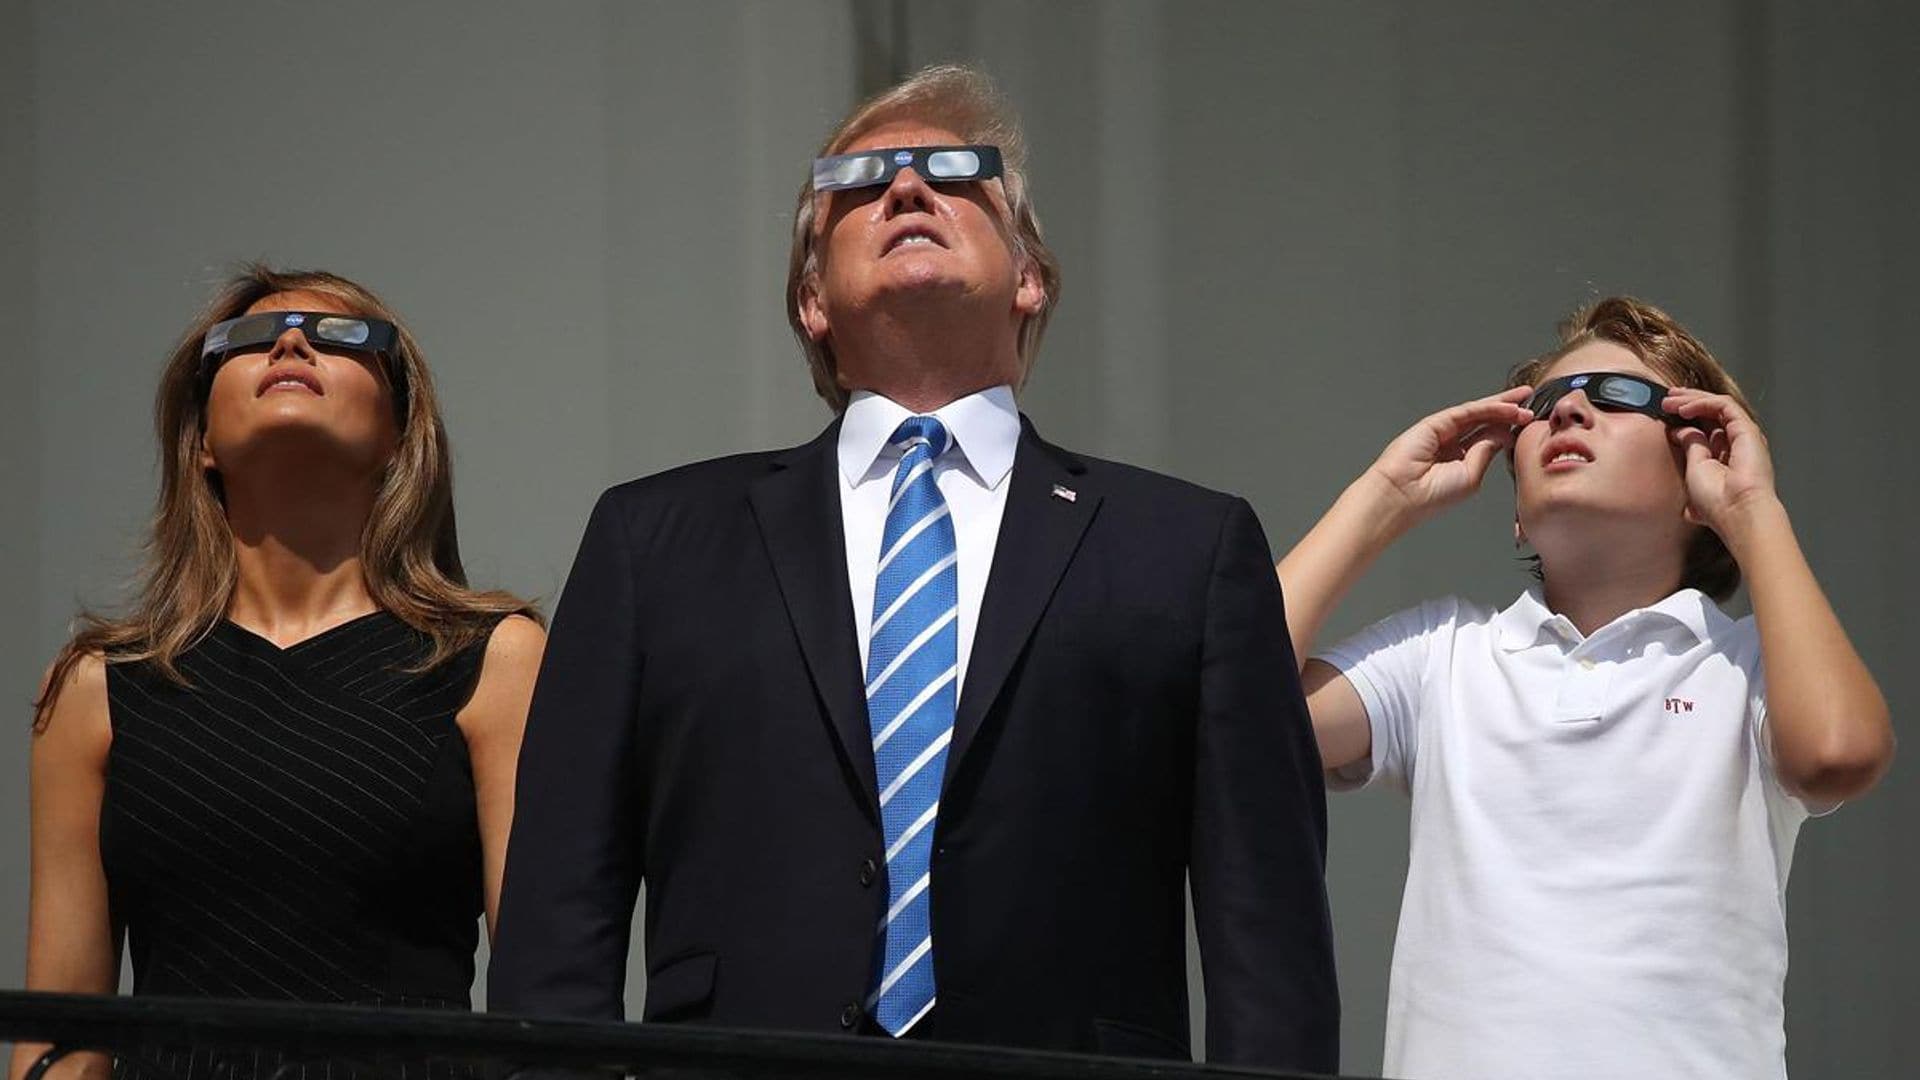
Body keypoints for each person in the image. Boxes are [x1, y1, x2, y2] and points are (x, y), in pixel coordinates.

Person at [488, 64, 1338, 1070]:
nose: (904, 189)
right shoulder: (655, 541)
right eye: (857, 180)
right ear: (811, 298)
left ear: (1030, 276)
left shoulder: (1187, 550)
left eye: (953, 169)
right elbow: (557, 915)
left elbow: (1265, 933)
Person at [1278, 296, 1894, 1079]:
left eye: (1620, 395)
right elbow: (1228, 705)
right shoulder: (1443, 655)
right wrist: (1382, 500)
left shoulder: (1746, 666)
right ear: (1516, 517)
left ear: (1697, 482)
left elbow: (1838, 755)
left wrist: (1751, 510)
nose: (1568, 407)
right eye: (1542, 405)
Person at [13, 266, 545, 1080]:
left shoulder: (493, 660)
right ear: (199, 443)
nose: (289, 342)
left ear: (402, 432)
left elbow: (538, 1010)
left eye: (340, 337)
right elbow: (62, 1033)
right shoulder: (96, 686)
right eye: (248, 339)